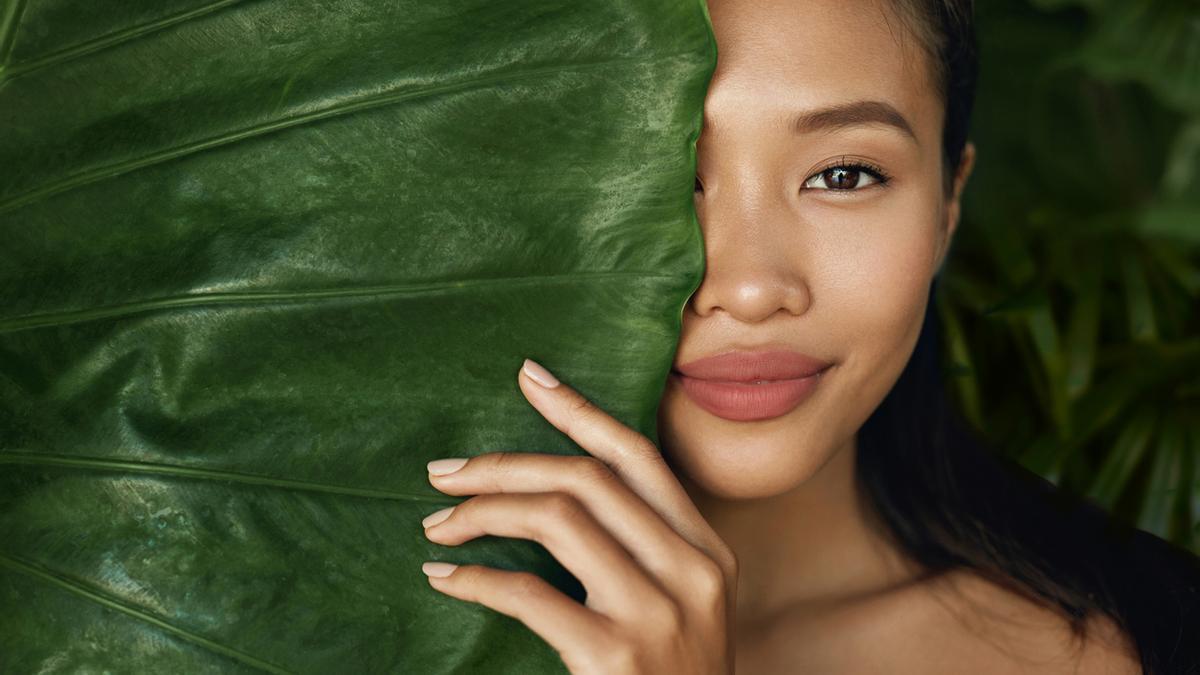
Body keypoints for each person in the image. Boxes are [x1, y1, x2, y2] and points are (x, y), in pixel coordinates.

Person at [420, 0, 1200, 672]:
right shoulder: (352, 616)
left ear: (946, 207)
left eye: (845, 174)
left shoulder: (1151, 641)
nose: (752, 288)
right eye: (659, 176)